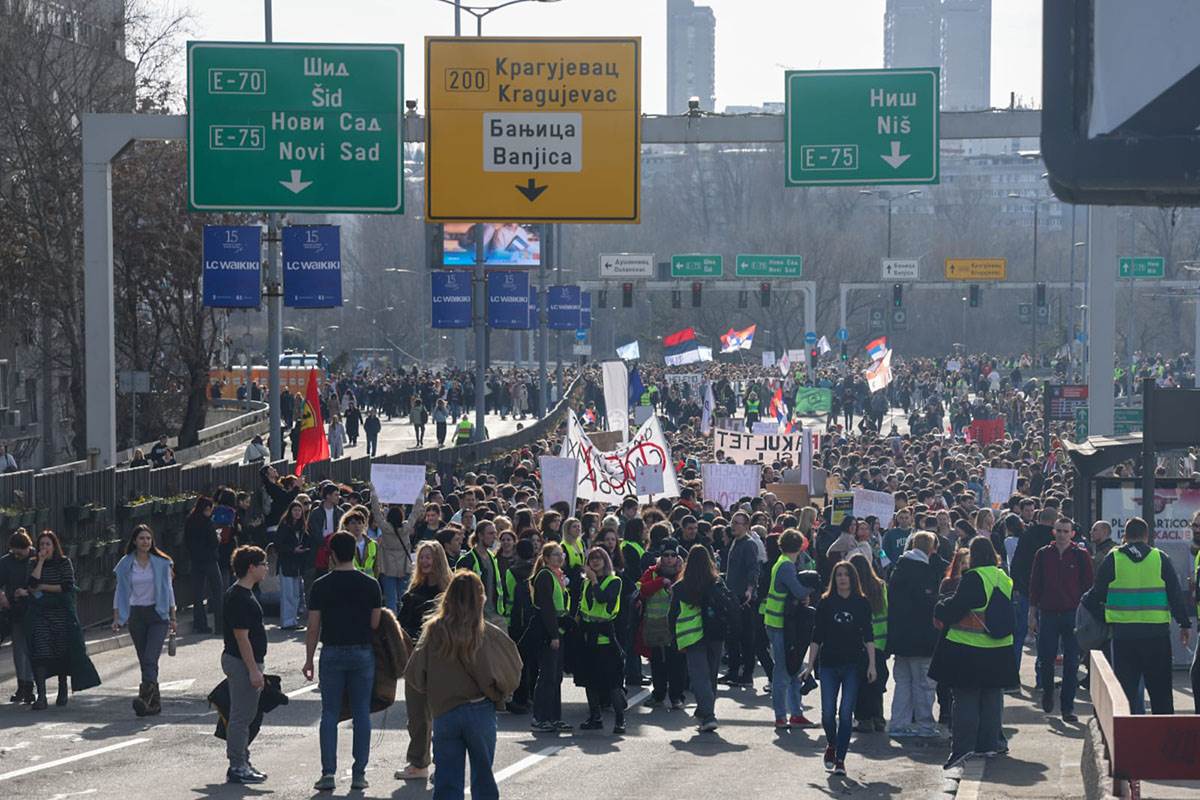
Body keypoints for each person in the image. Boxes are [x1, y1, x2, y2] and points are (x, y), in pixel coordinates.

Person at [404, 569, 522, 800]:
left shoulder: (434, 630)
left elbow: (415, 674)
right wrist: (497, 693)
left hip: (445, 712)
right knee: (483, 779)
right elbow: (511, 669)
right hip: (479, 709)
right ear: (481, 597)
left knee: (447, 781)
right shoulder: (486, 632)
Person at [1083, 516, 1191, 715]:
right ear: (1147, 535)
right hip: (1157, 636)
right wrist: (1184, 624)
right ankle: (1164, 739)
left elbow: (1092, 598)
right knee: (1161, 694)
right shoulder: (1160, 558)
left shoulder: (1113, 559)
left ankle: (1128, 741)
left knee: (1125, 696)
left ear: (1124, 535)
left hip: (1124, 637)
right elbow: (1175, 596)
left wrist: (1107, 616)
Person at [304, 531, 383, 792]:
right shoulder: (371, 584)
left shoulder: (321, 585)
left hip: (333, 651)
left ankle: (328, 773)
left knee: (329, 712)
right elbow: (375, 623)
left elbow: (313, 627)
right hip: (362, 651)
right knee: (361, 712)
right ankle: (359, 773)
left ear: (333, 554)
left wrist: (308, 659)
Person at [931, 536, 1018, 770]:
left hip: (970, 650)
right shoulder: (1003, 577)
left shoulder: (974, 577)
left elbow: (957, 608)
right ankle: (989, 744)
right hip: (999, 650)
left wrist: (940, 605)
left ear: (974, 555)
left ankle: (963, 748)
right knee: (991, 699)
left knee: (966, 699)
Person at [802, 561, 876, 776]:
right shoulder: (826, 603)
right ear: (834, 579)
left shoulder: (862, 603)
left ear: (853, 579)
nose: (842, 578)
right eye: (839, 575)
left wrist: (872, 664)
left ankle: (840, 759)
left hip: (853, 664)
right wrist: (809, 665)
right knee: (827, 714)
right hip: (829, 664)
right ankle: (832, 744)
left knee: (845, 714)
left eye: (846, 575)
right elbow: (817, 636)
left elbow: (868, 636)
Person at [396, 541, 452, 782]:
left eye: (429, 557)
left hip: (442, 661)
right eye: (422, 558)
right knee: (417, 716)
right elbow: (400, 625)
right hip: (415, 660)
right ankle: (419, 764)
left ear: (438, 559)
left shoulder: (448, 592)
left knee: (442, 716)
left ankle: (445, 764)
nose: (425, 562)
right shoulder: (412, 592)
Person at [1028, 516, 1092, 722]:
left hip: (1072, 614)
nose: (1062, 534)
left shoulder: (1081, 555)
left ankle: (1067, 707)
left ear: (1073, 533)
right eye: (1059, 530)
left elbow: (1088, 586)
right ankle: (1047, 692)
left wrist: (1086, 615)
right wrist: (1032, 613)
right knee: (1046, 659)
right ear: (1053, 532)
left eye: (1066, 531)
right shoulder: (1043, 554)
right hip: (1048, 613)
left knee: (1072, 663)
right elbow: (1035, 584)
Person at [111, 524, 177, 717]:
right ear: (134, 541)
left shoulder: (161, 562)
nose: (145, 542)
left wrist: (173, 616)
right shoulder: (126, 564)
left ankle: (144, 697)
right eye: (141, 538)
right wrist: (117, 617)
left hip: (158, 615)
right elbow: (120, 591)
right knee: (145, 660)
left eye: (148, 538)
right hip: (136, 615)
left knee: (150, 657)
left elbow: (169, 590)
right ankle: (154, 704)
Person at [221, 545, 270, 785]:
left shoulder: (244, 592)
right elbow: (242, 637)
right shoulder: (240, 597)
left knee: (247, 714)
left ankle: (243, 760)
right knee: (241, 716)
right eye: (263, 564)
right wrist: (253, 669)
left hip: (244, 661)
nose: (267, 568)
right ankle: (237, 765)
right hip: (241, 662)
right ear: (251, 567)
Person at [886, 530, 941, 738]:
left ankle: (898, 723)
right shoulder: (923, 571)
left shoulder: (899, 568)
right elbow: (927, 604)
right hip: (921, 638)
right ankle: (926, 725)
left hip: (901, 638)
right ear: (931, 548)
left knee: (903, 682)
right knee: (924, 685)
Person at [669, 543, 729, 733]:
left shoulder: (680, 587)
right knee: (711, 675)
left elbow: (673, 615)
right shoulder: (717, 582)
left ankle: (708, 715)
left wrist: (674, 637)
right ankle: (705, 711)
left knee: (699, 676)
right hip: (716, 633)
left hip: (692, 634)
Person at [764, 530, 817, 729]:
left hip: (779, 622)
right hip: (780, 625)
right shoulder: (787, 566)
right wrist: (812, 589)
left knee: (792, 668)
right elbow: (799, 590)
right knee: (783, 672)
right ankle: (781, 715)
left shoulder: (782, 562)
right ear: (801, 546)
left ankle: (795, 713)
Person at [577, 546, 627, 733]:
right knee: (590, 681)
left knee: (612, 683)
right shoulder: (586, 582)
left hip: (606, 638)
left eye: (599, 558)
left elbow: (603, 599)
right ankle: (595, 717)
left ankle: (619, 719)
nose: (595, 562)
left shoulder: (614, 581)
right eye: (592, 559)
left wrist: (595, 580)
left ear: (606, 561)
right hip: (589, 636)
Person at [639, 539, 687, 709]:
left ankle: (676, 697)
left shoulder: (683, 573)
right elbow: (643, 590)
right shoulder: (652, 572)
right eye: (666, 555)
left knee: (677, 663)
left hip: (677, 625)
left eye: (673, 555)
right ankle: (658, 695)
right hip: (655, 625)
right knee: (657, 662)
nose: (669, 559)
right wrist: (660, 582)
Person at [529, 542, 572, 732]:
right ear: (546, 558)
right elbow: (546, 608)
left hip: (558, 630)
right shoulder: (545, 576)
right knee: (547, 676)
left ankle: (554, 717)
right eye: (555, 555)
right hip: (548, 632)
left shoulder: (557, 576)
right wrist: (554, 635)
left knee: (556, 677)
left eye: (561, 554)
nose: (559, 558)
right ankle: (540, 718)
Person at [719, 511, 761, 688]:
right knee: (732, 637)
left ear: (746, 526)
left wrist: (750, 589)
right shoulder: (735, 542)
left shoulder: (749, 544)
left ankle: (747, 674)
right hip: (732, 595)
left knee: (745, 637)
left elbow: (753, 569)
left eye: (738, 523)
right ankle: (733, 671)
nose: (733, 525)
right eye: (733, 522)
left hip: (743, 598)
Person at [850, 553, 889, 732]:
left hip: (859, 644)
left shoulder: (853, 590)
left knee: (860, 682)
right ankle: (878, 717)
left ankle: (863, 718)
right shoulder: (880, 586)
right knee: (876, 681)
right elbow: (887, 612)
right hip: (879, 642)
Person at [0, 530, 34, 704]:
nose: (17, 555)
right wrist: (3, 596)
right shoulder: (6, 562)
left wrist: (27, 592)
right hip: (15, 609)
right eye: (14, 552)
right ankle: (22, 684)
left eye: (21, 552)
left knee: (30, 648)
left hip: (34, 608)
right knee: (18, 648)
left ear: (28, 548)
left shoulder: (36, 559)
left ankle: (30, 685)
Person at [185, 496, 223, 634]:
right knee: (217, 591)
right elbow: (213, 542)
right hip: (210, 560)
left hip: (196, 560)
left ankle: (200, 624)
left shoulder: (190, 521)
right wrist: (217, 538)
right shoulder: (207, 523)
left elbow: (187, 542)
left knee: (198, 594)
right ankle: (220, 626)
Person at [457, 519, 506, 626]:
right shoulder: (466, 560)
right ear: (480, 535)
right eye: (490, 533)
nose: (494, 536)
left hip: (495, 614)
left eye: (495, 533)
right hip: (476, 617)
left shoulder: (492, 556)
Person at [274, 501, 309, 630]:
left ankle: (293, 620)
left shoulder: (302, 527)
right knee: (287, 594)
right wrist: (292, 549)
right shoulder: (284, 526)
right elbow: (278, 545)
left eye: (299, 511)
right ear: (290, 512)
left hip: (297, 565)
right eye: (295, 510)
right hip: (286, 564)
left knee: (295, 594)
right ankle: (287, 621)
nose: (297, 513)